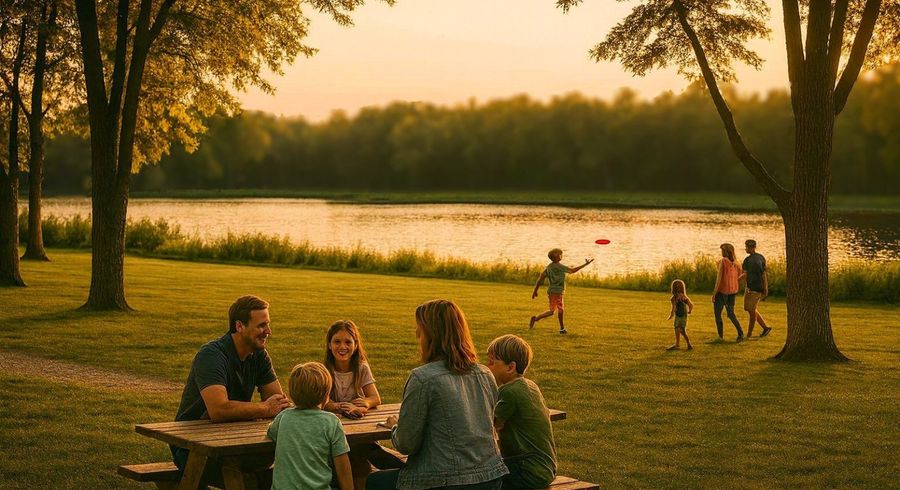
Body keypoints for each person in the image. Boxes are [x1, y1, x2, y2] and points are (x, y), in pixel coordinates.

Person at [367, 299, 508, 490]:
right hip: (490, 477)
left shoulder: (423, 378)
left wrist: (395, 427)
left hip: (446, 481)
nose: (417, 333)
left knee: (373, 482)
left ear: (430, 334)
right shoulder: (484, 374)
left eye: (419, 328)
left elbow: (406, 444)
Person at [171, 295, 292, 486]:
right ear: (239, 326)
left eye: (267, 324)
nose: (268, 331)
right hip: (194, 448)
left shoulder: (258, 354)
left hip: (234, 443)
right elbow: (219, 410)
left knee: (288, 470)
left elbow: (279, 403)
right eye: (261, 326)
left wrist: (271, 407)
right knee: (246, 480)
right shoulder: (211, 355)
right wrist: (264, 409)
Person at [323, 320, 405, 489]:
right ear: (329, 345)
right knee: (351, 455)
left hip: (357, 426)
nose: (342, 346)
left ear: (355, 344)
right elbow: (321, 400)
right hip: (334, 429)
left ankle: (400, 471)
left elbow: (375, 397)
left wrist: (364, 404)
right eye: (337, 341)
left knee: (361, 454)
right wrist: (336, 406)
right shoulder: (325, 370)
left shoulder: (361, 368)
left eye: (348, 342)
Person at [485, 335, 557, 489]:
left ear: (510, 367)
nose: (487, 366)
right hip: (545, 468)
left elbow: (490, 425)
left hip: (526, 469)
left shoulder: (509, 391)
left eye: (492, 362)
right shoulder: (530, 386)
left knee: (483, 481)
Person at [267, 362, 353, 490]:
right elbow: (343, 467)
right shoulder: (331, 422)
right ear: (326, 396)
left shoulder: (284, 417)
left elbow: (271, 432)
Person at [529, 248, 594, 334]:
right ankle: (562, 329)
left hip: (551, 292)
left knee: (552, 311)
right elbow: (572, 270)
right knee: (560, 310)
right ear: (556, 257)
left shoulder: (548, 267)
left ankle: (536, 319)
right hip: (558, 292)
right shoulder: (560, 267)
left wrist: (535, 291)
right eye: (560, 254)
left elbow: (540, 279)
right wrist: (585, 264)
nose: (561, 256)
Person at [711, 243, 745, 342]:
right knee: (730, 313)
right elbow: (739, 276)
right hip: (733, 291)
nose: (721, 252)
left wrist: (714, 294)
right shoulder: (736, 263)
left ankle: (720, 337)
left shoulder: (723, 261)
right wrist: (733, 282)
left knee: (718, 314)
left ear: (725, 251)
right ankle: (740, 334)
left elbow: (719, 279)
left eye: (722, 250)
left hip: (722, 292)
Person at [740, 239, 772, 338]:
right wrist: (765, 287)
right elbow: (763, 274)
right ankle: (766, 328)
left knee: (751, 311)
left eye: (746, 247)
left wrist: (735, 281)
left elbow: (746, 274)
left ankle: (749, 334)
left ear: (751, 248)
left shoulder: (748, 260)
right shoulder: (760, 258)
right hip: (749, 288)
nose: (746, 249)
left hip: (756, 289)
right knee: (749, 309)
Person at [667, 279, 694, 350]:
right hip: (678, 315)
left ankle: (678, 344)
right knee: (680, 329)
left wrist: (690, 310)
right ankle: (687, 344)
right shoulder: (673, 298)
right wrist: (672, 314)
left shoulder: (683, 297)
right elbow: (673, 308)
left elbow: (690, 304)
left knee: (679, 329)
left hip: (683, 315)